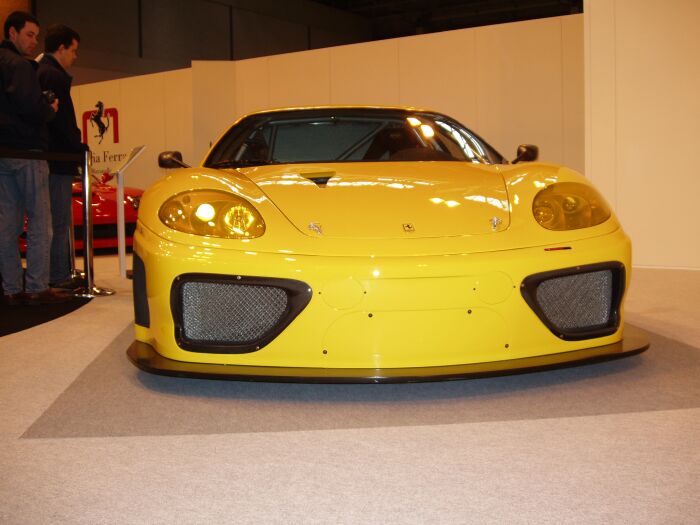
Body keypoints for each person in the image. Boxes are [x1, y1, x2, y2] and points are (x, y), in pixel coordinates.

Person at [0, 11, 70, 305]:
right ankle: (37, 287)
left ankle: (11, 287)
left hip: (4, 153)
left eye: (36, 36)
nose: (34, 41)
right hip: (28, 150)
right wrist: (49, 107)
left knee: (7, 224)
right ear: (12, 33)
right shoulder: (19, 65)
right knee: (41, 222)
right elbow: (30, 106)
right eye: (29, 34)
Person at [38, 24, 85, 290]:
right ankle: (58, 276)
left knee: (50, 219)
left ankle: (54, 274)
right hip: (57, 159)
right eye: (74, 50)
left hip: (50, 157)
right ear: (62, 48)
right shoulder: (53, 76)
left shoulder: (40, 71)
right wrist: (76, 147)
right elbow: (62, 121)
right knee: (58, 219)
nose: (75, 57)